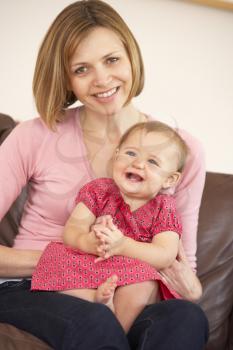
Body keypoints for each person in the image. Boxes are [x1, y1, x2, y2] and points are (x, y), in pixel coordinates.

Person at [0, 1, 208, 349]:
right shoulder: (35, 136)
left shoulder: (182, 151)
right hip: (33, 286)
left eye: (111, 60)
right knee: (93, 321)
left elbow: (183, 267)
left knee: (186, 318)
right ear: (65, 78)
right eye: (81, 69)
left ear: (131, 57)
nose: (102, 79)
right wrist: (72, 260)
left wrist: (187, 285)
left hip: (128, 287)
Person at [31, 121, 187, 332]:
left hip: (132, 270)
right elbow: (71, 231)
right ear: (116, 156)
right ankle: (95, 299)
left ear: (169, 179)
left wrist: (123, 246)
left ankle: (114, 333)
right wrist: (87, 242)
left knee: (144, 283)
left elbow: (165, 254)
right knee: (55, 258)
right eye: (131, 153)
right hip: (95, 260)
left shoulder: (164, 208)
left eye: (152, 161)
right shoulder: (99, 190)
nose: (138, 164)